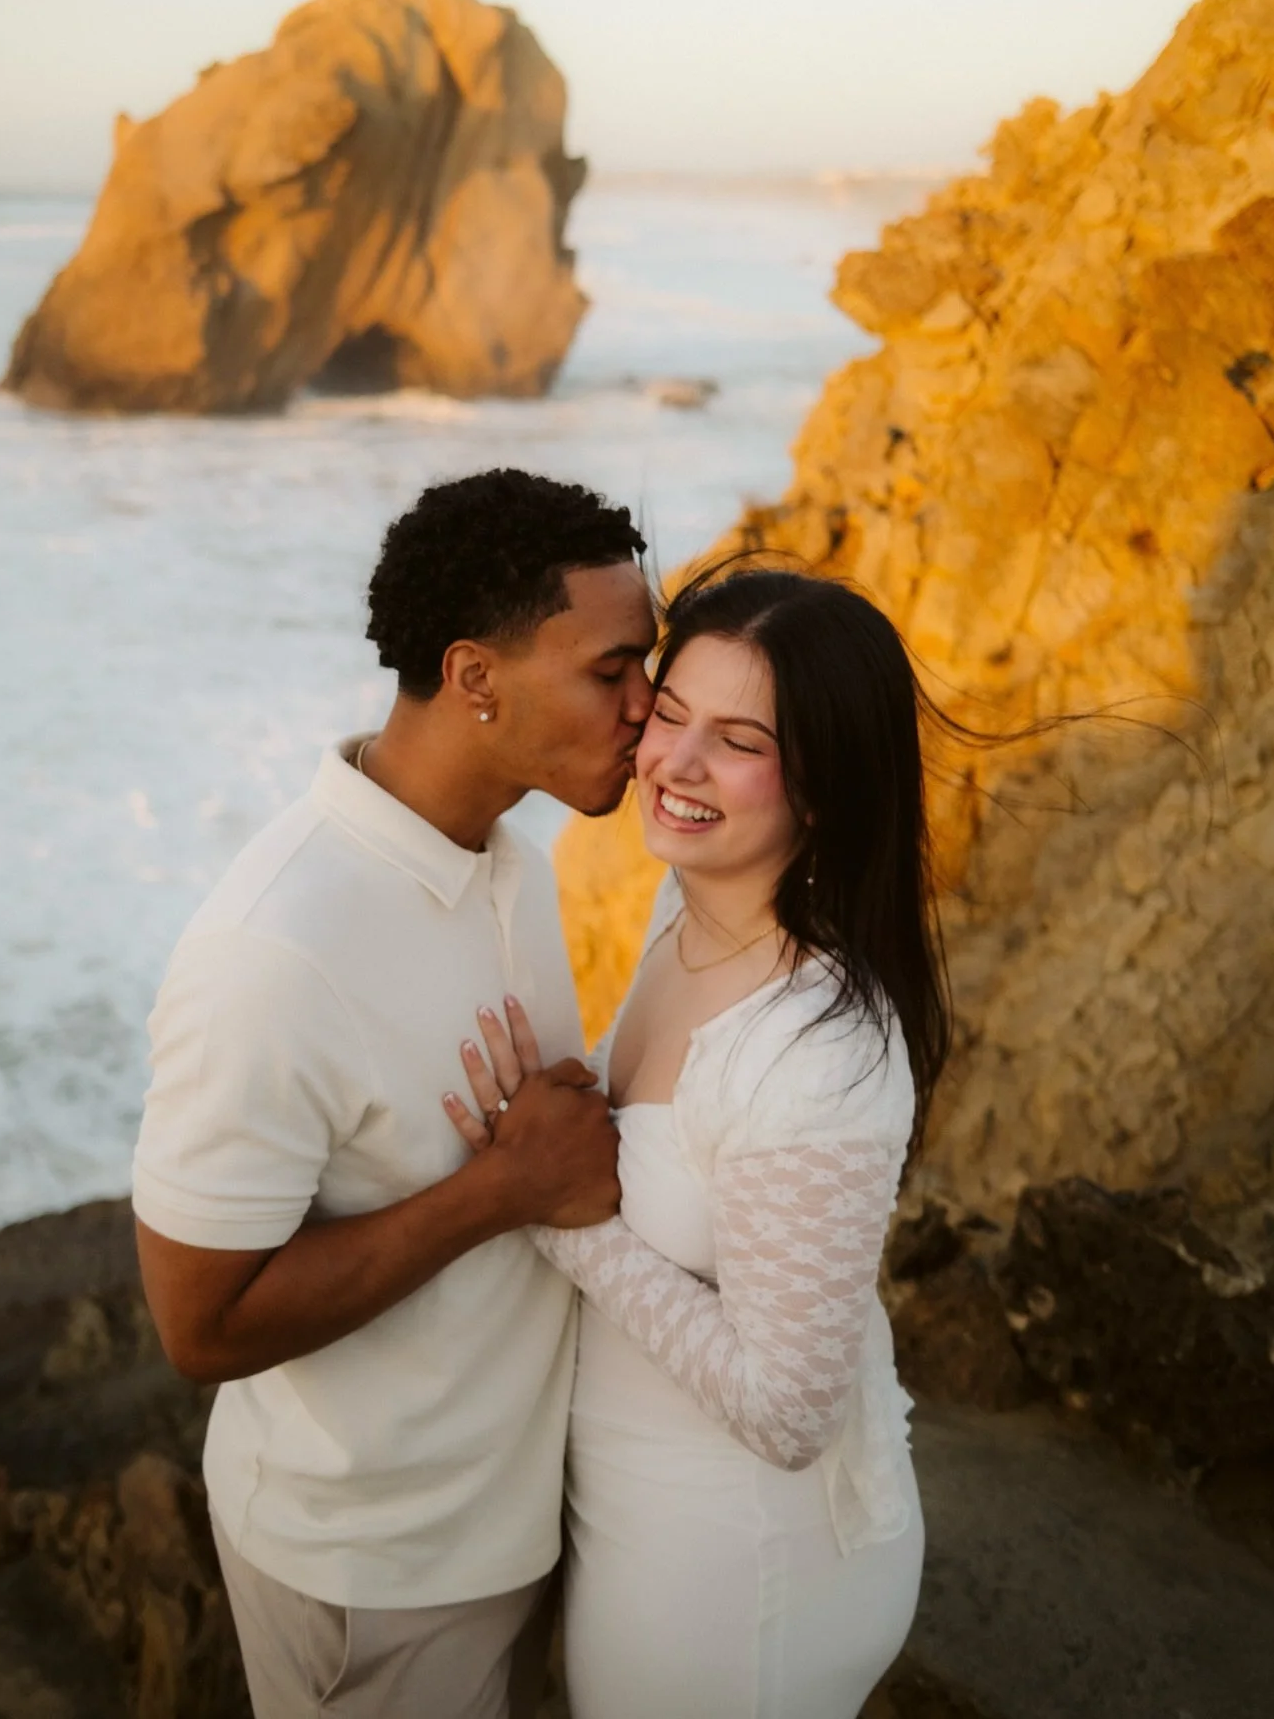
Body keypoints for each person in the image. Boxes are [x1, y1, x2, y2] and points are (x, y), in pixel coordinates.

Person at [131, 467, 657, 1719]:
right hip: (372, 1572)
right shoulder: (274, 950)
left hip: (516, 1519)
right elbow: (198, 1327)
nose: (651, 706)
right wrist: (503, 1190)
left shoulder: (515, 867)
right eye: (612, 672)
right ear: (476, 676)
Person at [445, 564, 943, 1719]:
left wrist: (555, 1214)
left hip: (740, 1581)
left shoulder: (817, 1054)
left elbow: (787, 1408)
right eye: (670, 712)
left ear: (823, 787)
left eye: (738, 740)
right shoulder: (686, 911)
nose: (674, 762)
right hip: (638, 1515)